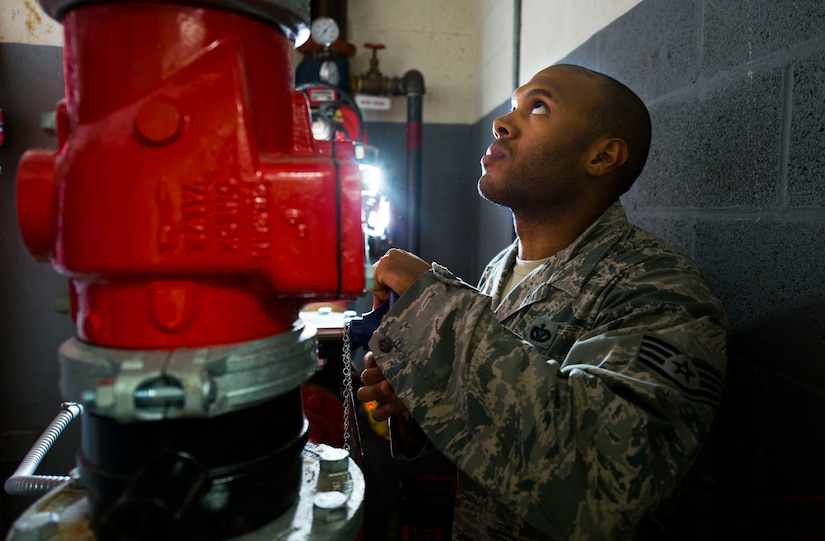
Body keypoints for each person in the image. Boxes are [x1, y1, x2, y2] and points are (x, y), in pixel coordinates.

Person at [356, 64, 727, 540]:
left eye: (538, 107)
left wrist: (433, 307)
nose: (503, 123)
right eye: (512, 105)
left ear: (602, 156)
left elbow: (606, 482)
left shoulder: (660, 288)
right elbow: (497, 434)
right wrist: (420, 395)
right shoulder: (499, 270)